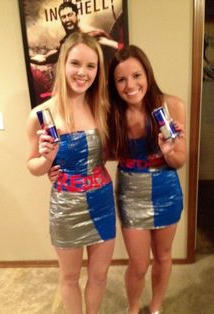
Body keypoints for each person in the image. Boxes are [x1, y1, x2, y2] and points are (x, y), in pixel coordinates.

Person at [26, 32, 116, 314]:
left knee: (100, 275)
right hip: (66, 206)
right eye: (76, 63)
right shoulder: (41, 115)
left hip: (101, 200)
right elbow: (33, 167)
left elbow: (108, 153)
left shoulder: (102, 108)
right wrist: (46, 160)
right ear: (63, 64)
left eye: (91, 66)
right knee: (69, 277)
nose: (83, 72)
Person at [107, 45, 186, 314]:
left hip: (166, 190)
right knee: (138, 264)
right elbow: (103, 154)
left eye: (137, 75)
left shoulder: (173, 105)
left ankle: (155, 306)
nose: (130, 85)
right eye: (121, 79)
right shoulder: (112, 114)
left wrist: (169, 151)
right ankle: (132, 308)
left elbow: (180, 161)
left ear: (147, 74)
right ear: (114, 84)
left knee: (163, 256)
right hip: (131, 193)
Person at [31, 1, 119, 66]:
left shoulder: (94, 35)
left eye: (70, 15)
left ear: (76, 15)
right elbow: (44, 58)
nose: (67, 20)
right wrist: (27, 59)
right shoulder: (65, 43)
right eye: (64, 17)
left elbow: (119, 50)